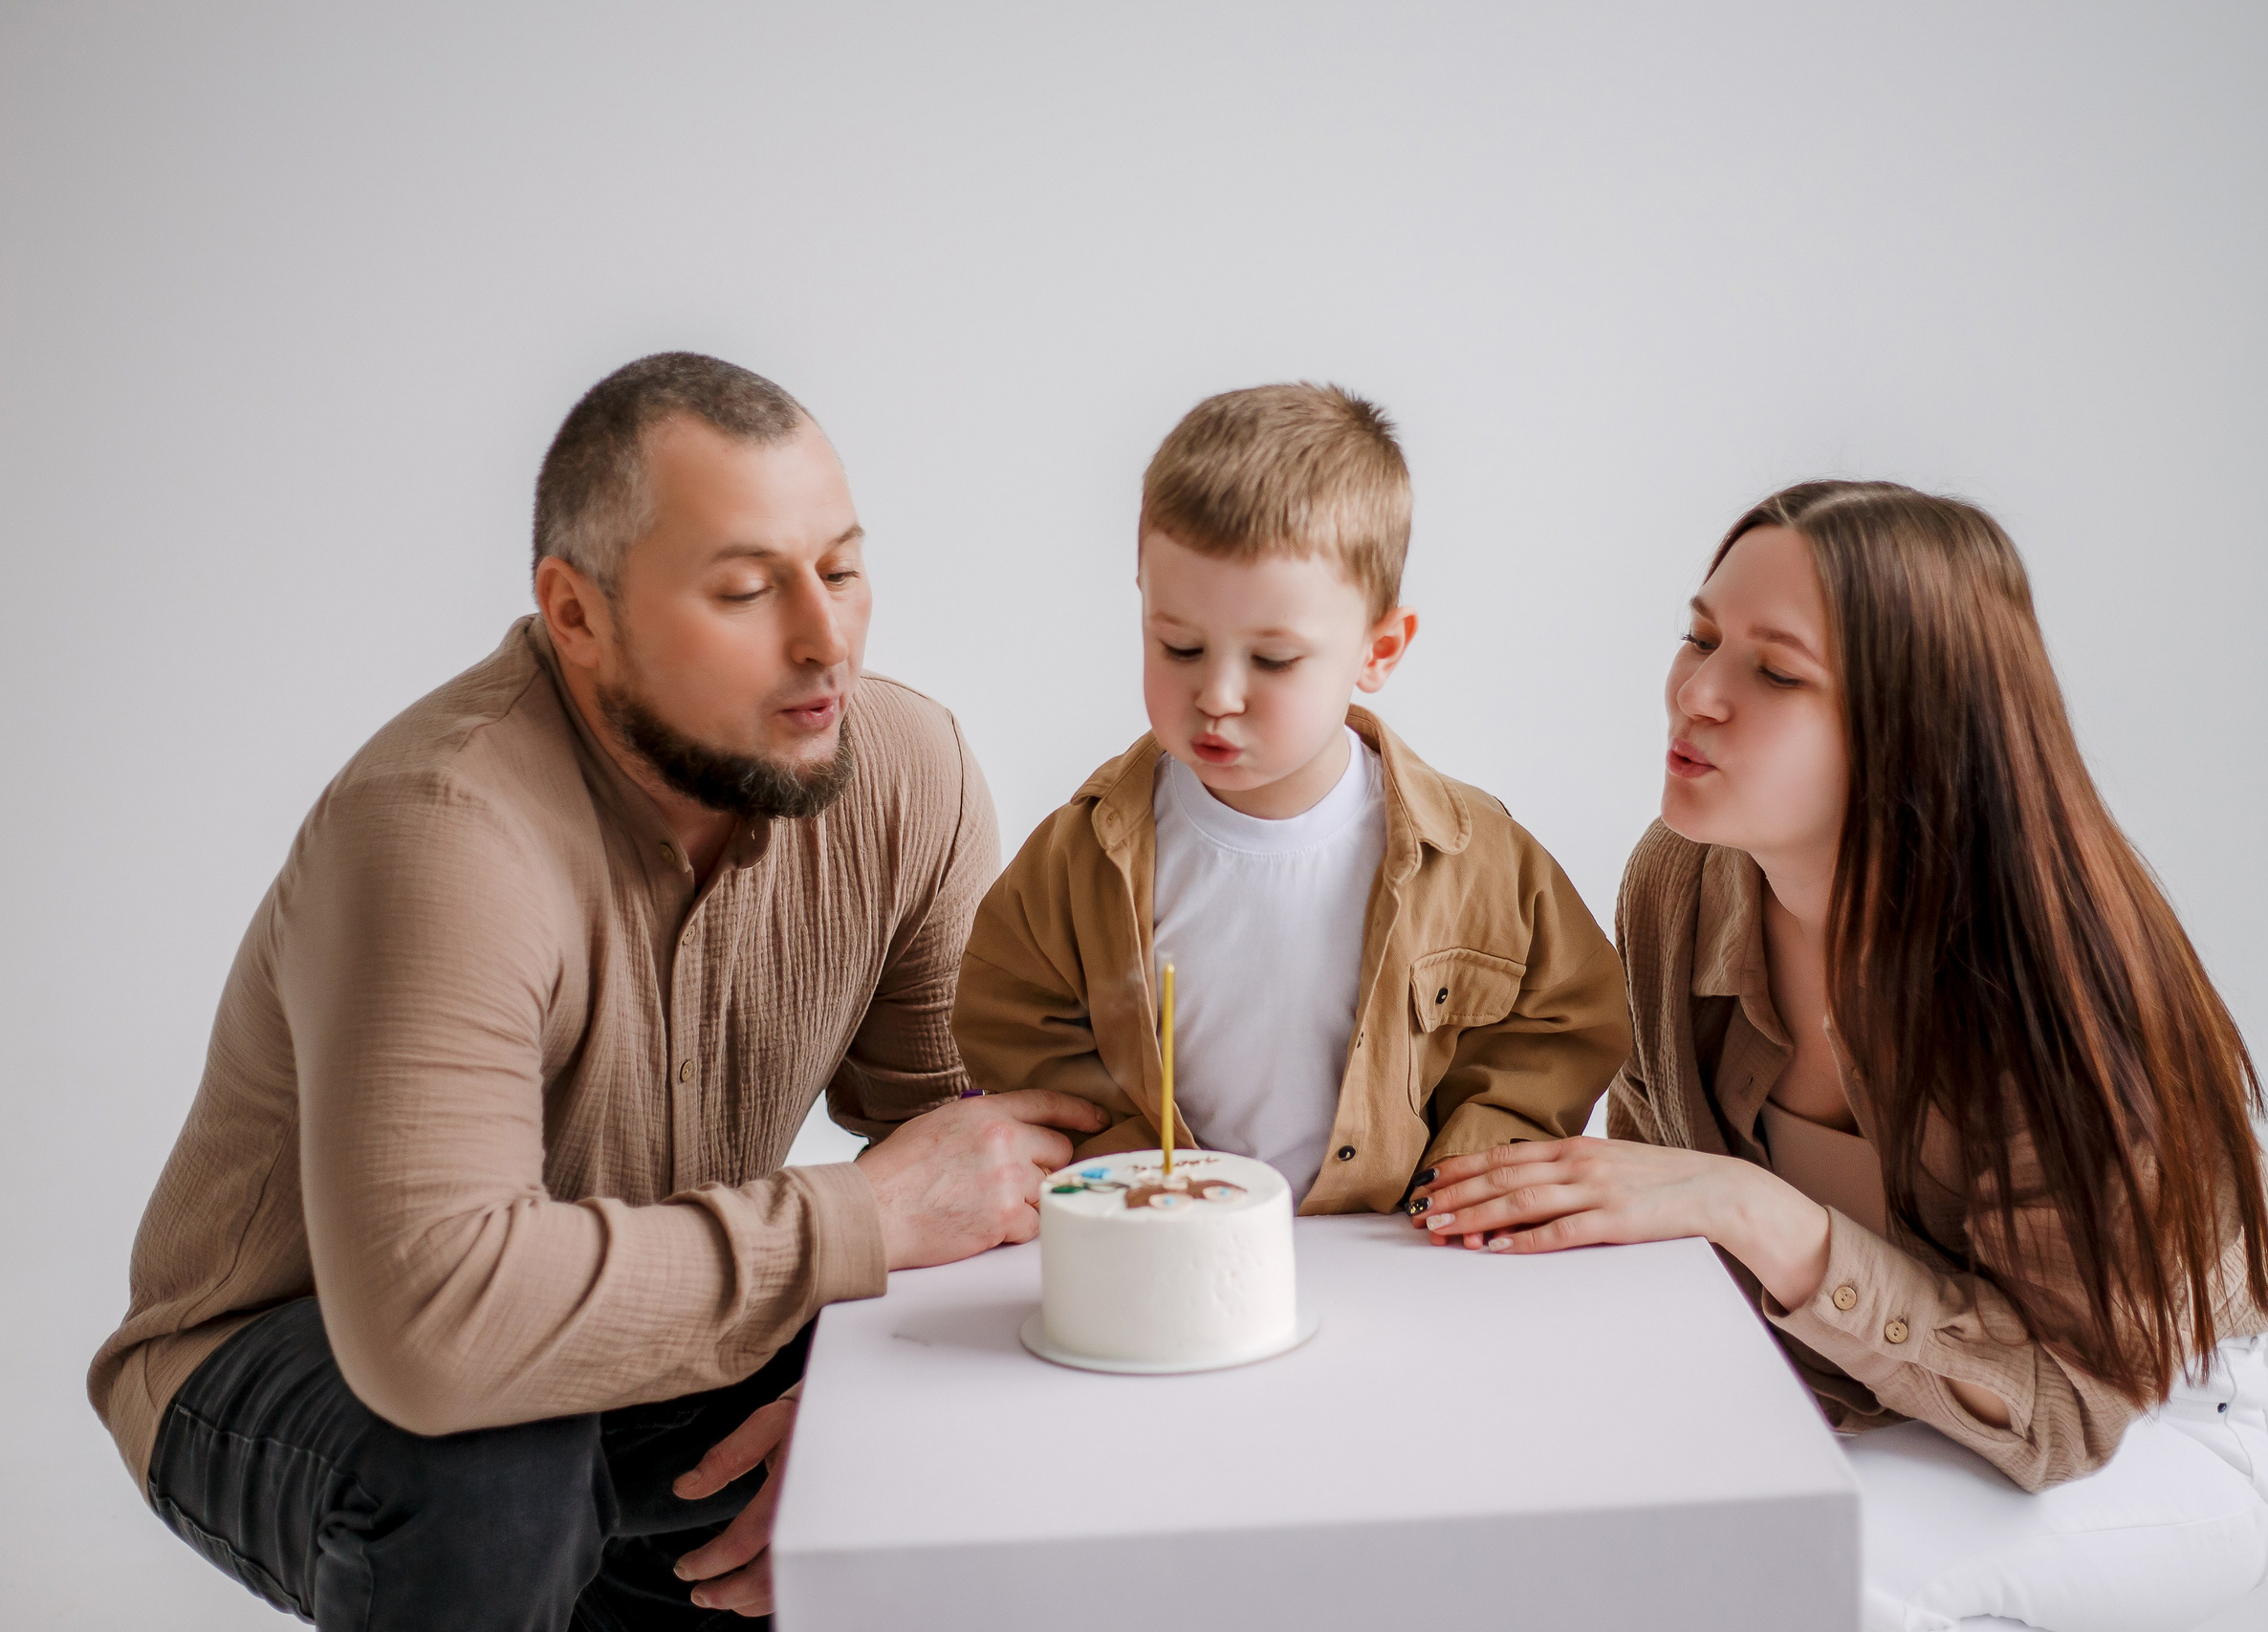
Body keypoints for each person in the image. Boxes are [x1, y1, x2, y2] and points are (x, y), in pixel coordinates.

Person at [88, 352, 1106, 1628]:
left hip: (659, 1325)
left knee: (1006, 1383)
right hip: (298, 1359)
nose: (824, 638)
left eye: (841, 569)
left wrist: (863, 1404)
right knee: (497, 1449)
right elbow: (435, 1324)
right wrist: (854, 1223)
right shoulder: (441, 829)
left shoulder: (905, 769)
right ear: (576, 613)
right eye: (746, 588)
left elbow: (975, 1170)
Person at [1414, 481, 2268, 1630]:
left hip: (2139, 1427)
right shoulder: (1679, 881)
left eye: (1773, 673)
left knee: (1812, 1578)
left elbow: (2066, 1408)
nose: (1696, 694)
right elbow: (1656, 1193)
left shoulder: (2054, 999)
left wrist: (1759, 1210)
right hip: (1844, 1394)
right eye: (1698, 636)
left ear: (1909, 730)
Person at [954, 383, 1631, 1211]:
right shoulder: (1081, 854)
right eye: (1179, 645)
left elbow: (1564, 1018)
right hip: (1167, 1251)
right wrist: (1121, 1159)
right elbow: (1011, 1015)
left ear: (1377, 649)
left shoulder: (1478, 856)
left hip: (1395, 1261)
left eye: (1272, 660)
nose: (1217, 695)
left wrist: (1471, 1167)